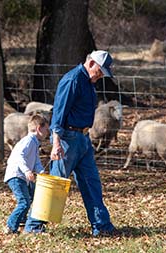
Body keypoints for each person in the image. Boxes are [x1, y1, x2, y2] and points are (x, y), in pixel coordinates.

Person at [25, 50, 117, 237]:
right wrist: (56, 143)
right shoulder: (72, 80)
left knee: (92, 183)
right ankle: (33, 226)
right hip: (67, 139)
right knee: (56, 184)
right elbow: (58, 113)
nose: (100, 77)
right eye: (100, 72)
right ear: (91, 64)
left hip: (83, 139)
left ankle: (102, 226)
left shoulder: (88, 81)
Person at [4, 114, 49, 234]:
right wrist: (27, 171)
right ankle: (10, 226)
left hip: (22, 176)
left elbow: (36, 161)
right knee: (24, 201)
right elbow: (19, 156)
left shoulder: (35, 143)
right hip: (16, 175)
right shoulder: (28, 141)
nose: (47, 132)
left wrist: (42, 172)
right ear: (39, 128)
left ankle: (23, 220)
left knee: (32, 196)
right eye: (46, 129)